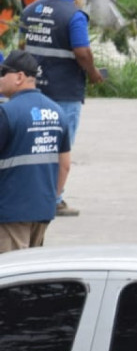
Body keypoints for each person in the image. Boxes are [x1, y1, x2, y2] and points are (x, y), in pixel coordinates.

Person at [19, 0, 106, 215]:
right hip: (64, 92)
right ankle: (54, 200)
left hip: (33, 91)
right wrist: (94, 74)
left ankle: (30, 194)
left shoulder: (31, 10)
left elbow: (23, 49)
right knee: (60, 148)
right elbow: (82, 51)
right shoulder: (74, 16)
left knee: (33, 145)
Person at [0, 50, 70, 252]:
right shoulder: (57, 111)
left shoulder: (7, 113)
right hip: (42, 210)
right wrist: (50, 199)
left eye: (3, 73)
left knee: (9, 275)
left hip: (11, 212)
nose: (0, 78)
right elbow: (65, 165)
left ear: (19, 77)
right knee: (31, 272)